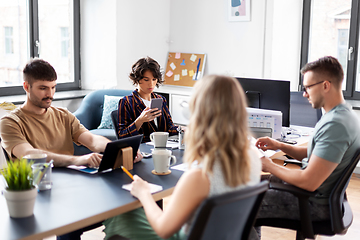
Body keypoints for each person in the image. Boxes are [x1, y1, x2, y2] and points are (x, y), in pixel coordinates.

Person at [102, 75, 261, 240]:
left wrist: (144, 194)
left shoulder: (200, 177)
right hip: (225, 234)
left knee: (120, 214)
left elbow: (164, 230)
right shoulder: (253, 157)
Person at [0, 58, 143, 240]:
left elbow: (91, 139)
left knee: (127, 202)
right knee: (69, 225)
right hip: (38, 194)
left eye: (53, 87)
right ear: (26, 87)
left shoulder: (63, 115)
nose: (50, 94)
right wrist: (77, 160)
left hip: (72, 188)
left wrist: (119, 148)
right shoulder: (10, 122)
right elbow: (29, 154)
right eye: (43, 88)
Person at [254, 56, 360, 237]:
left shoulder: (336, 125)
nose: (304, 94)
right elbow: (315, 154)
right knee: (249, 186)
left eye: (308, 87)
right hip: (315, 196)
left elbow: (309, 182)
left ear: (325, 85)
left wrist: (268, 165)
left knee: (240, 203)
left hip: (314, 204)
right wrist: (279, 145)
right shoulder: (342, 114)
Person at [117, 56, 179, 142]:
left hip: (163, 146)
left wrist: (182, 129)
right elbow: (122, 136)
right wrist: (140, 120)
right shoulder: (126, 102)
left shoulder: (161, 99)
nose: (151, 84)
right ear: (137, 79)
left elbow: (170, 128)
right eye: (146, 80)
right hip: (142, 149)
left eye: (154, 79)